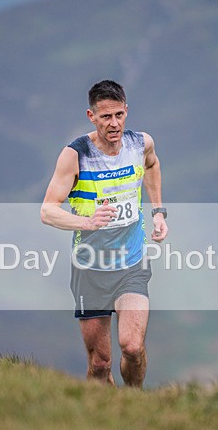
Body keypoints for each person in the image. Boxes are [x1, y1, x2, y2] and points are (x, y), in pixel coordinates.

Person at [41, 79, 168, 388]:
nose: (114, 124)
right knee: (100, 364)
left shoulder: (141, 143)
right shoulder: (75, 155)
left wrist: (159, 212)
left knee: (132, 347)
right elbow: (47, 210)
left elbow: (151, 165)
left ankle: (134, 403)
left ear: (126, 111)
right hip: (90, 269)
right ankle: (106, 420)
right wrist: (87, 223)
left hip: (132, 264)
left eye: (119, 116)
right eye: (105, 117)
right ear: (91, 117)